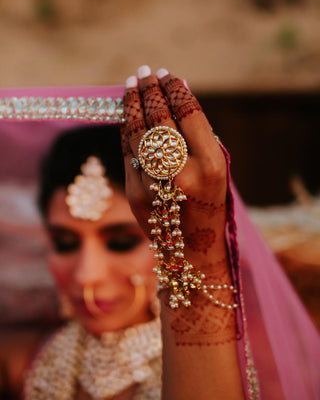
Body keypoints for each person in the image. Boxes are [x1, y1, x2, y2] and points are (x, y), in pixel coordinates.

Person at [0, 66, 319, 399]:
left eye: (121, 243)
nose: (87, 276)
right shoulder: (27, 359)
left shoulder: (252, 362)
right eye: (64, 243)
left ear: (170, 234)